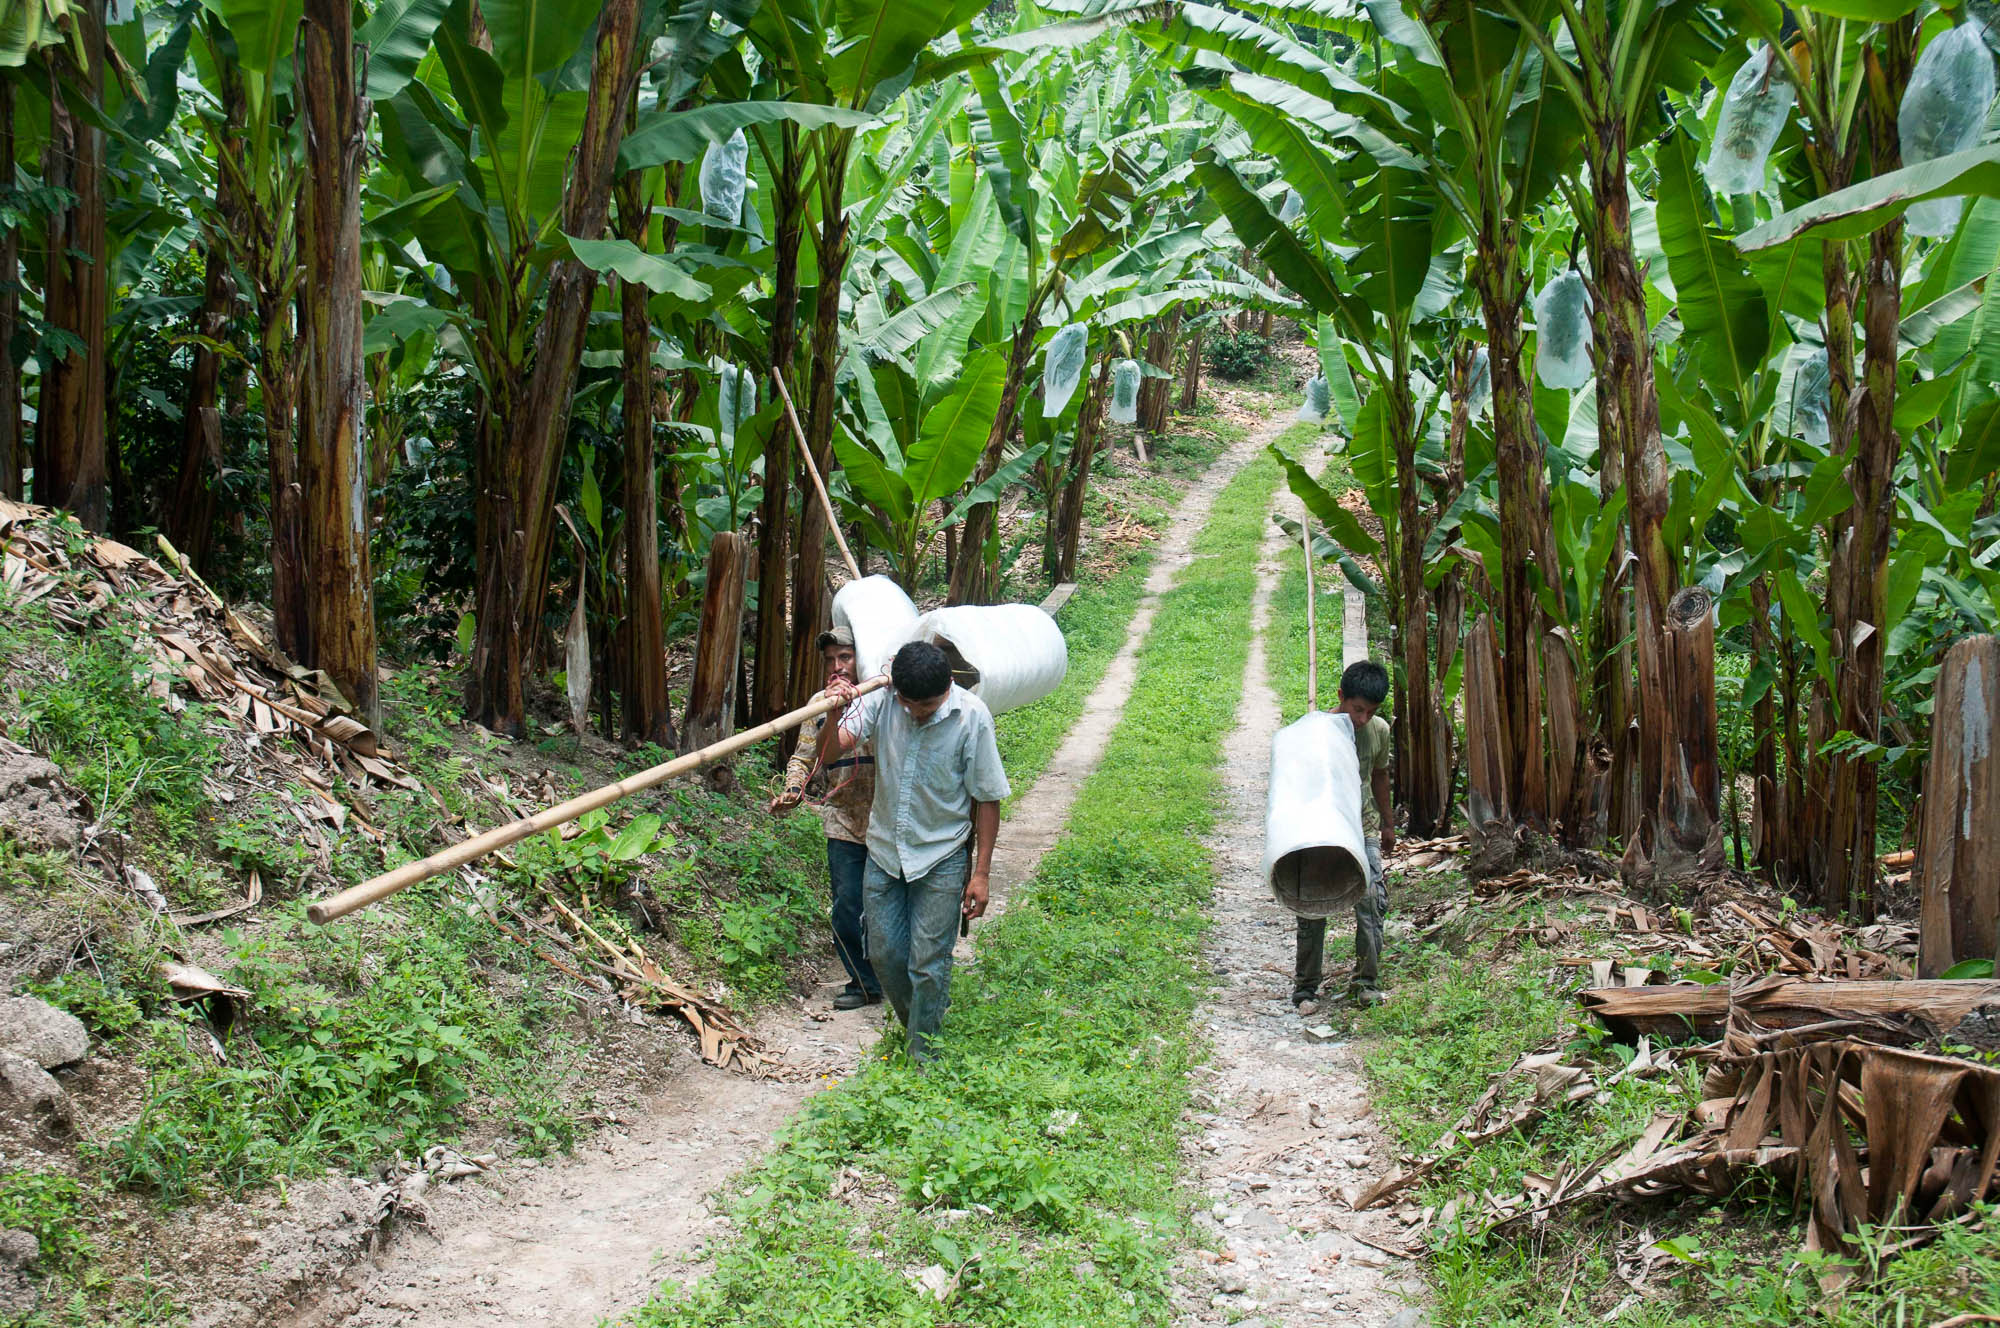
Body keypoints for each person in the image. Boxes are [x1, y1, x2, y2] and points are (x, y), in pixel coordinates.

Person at [818, 640, 1009, 1062]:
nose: (925, 712)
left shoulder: (970, 717)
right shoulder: (880, 699)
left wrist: (981, 874)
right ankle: (920, 1027)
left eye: (933, 703)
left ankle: (922, 1058)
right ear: (899, 694)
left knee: (928, 963)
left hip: (941, 856)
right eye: (916, 706)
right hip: (884, 852)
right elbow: (829, 751)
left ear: (948, 687)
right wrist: (835, 712)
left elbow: (989, 797)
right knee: (885, 954)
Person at [770, 627, 882, 1011]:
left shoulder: (882, 694)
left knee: (884, 905)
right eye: (831, 660)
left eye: (845, 658)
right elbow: (803, 757)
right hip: (843, 817)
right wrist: (793, 789)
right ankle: (863, 983)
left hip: (886, 817)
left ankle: (894, 975)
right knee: (847, 904)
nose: (837, 667)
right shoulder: (819, 703)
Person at [1295, 660, 1395, 1013]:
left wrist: (1387, 823)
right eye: (1357, 710)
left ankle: (1367, 981)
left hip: (1362, 826)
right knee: (1311, 902)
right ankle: (1306, 986)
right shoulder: (1314, 730)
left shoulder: (1379, 731)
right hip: (1321, 829)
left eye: (1371, 711)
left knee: (1371, 900)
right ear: (1341, 696)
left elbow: (1379, 776)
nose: (1363, 719)